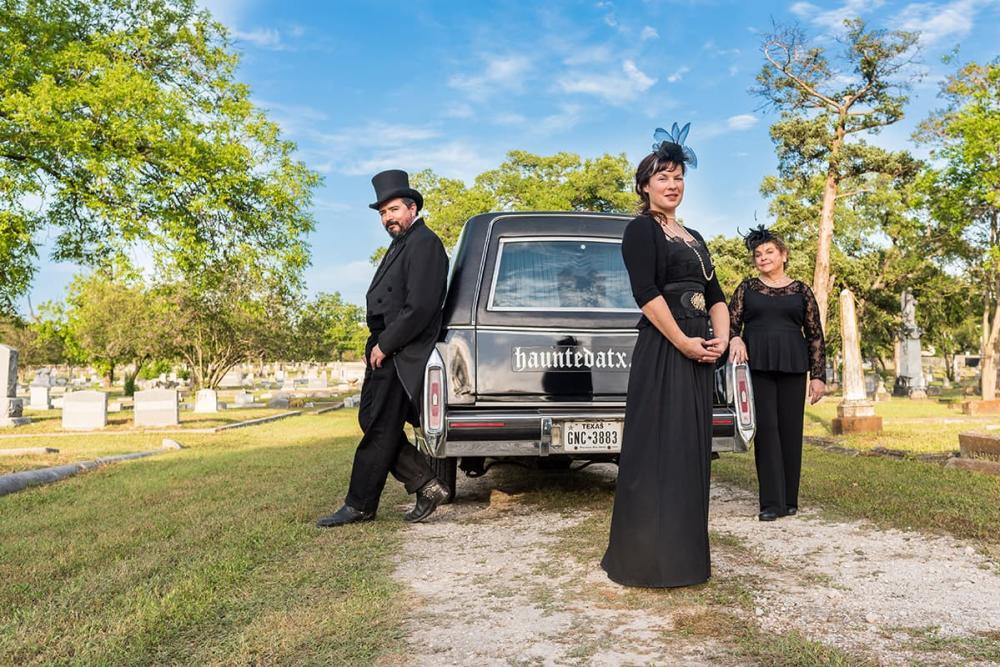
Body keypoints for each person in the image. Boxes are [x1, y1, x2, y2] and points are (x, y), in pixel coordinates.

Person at [602, 124, 729, 588]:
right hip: (665, 349)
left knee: (691, 450)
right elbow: (647, 294)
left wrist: (719, 339)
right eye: (662, 178)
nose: (672, 184)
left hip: (700, 352)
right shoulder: (640, 230)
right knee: (658, 448)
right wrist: (683, 342)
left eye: (678, 177)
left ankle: (686, 558)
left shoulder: (694, 235)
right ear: (645, 186)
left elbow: (715, 294)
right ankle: (645, 561)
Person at [316, 169, 451, 527]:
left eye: (393, 210)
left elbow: (420, 306)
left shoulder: (425, 243)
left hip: (402, 351)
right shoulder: (401, 244)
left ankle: (359, 504)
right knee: (371, 420)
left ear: (412, 208)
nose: (387, 218)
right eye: (382, 213)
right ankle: (426, 483)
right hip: (385, 347)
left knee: (378, 427)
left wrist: (386, 345)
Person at [728, 226, 826, 521]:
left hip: (794, 365)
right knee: (767, 430)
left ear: (783, 255)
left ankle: (790, 499)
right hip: (757, 365)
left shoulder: (801, 290)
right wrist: (735, 338)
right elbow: (730, 323)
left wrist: (818, 376)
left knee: (790, 431)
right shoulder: (747, 288)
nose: (763, 257)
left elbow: (815, 334)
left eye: (769, 252)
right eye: (758, 254)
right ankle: (771, 503)